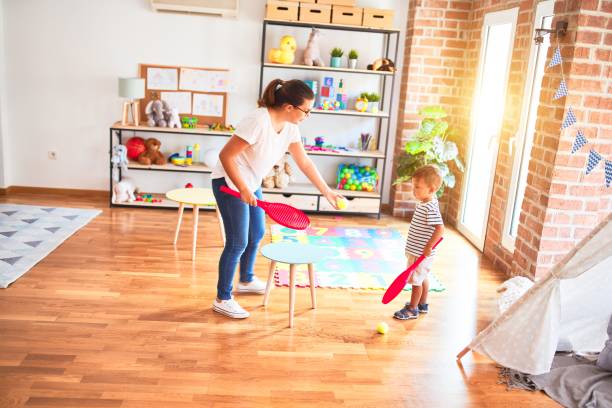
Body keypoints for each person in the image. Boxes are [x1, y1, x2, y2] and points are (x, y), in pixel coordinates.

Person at [210, 78, 344, 319]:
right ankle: (222, 297)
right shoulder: (258, 121)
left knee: (257, 233)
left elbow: (304, 162)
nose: (308, 115)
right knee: (237, 241)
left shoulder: (291, 127)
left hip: (250, 181)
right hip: (229, 182)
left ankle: (247, 279)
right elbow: (226, 156)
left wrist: (327, 191)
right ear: (289, 107)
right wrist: (242, 188)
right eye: (307, 110)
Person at [394, 165, 444, 320]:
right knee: (422, 278)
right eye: (413, 186)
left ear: (431, 189)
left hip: (421, 253)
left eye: (417, 187)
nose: (413, 190)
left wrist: (428, 246)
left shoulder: (430, 207)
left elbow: (440, 229)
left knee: (416, 281)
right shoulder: (427, 202)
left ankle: (412, 309)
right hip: (416, 251)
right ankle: (422, 303)